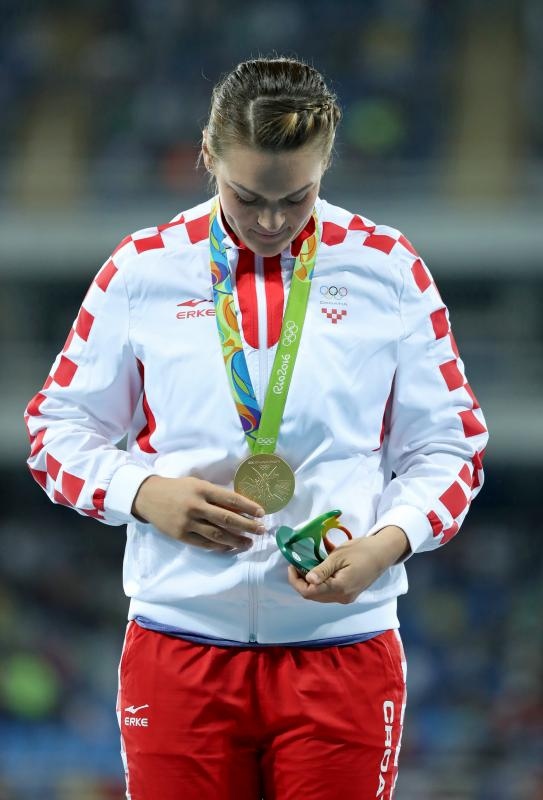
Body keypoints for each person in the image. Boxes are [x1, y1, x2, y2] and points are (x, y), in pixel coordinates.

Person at [24, 56, 488, 799]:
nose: (272, 222)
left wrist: (386, 543)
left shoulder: (387, 267)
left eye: (296, 197)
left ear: (325, 164)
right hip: (177, 644)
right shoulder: (141, 269)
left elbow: (449, 446)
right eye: (247, 197)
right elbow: (53, 431)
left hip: (344, 647)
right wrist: (143, 492)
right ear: (207, 158)